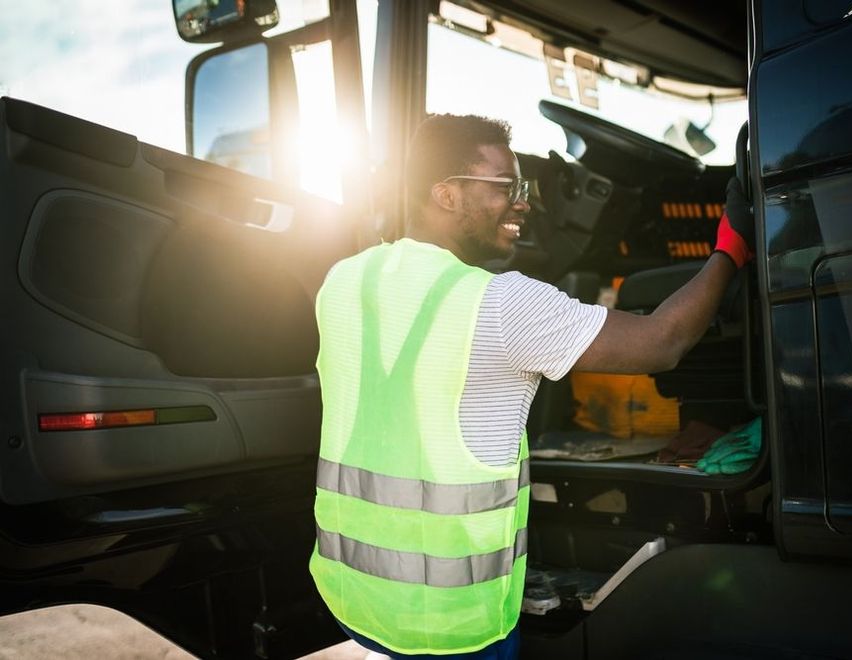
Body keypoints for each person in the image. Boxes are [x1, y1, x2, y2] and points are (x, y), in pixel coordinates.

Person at [309, 114, 754, 659]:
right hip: (454, 628)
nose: (525, 203)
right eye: (506, 188)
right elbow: (663, 341)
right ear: (446, 194)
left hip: (356, 597)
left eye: (526, 188)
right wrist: (731, 248)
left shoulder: (343, 281)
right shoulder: (498, 303)